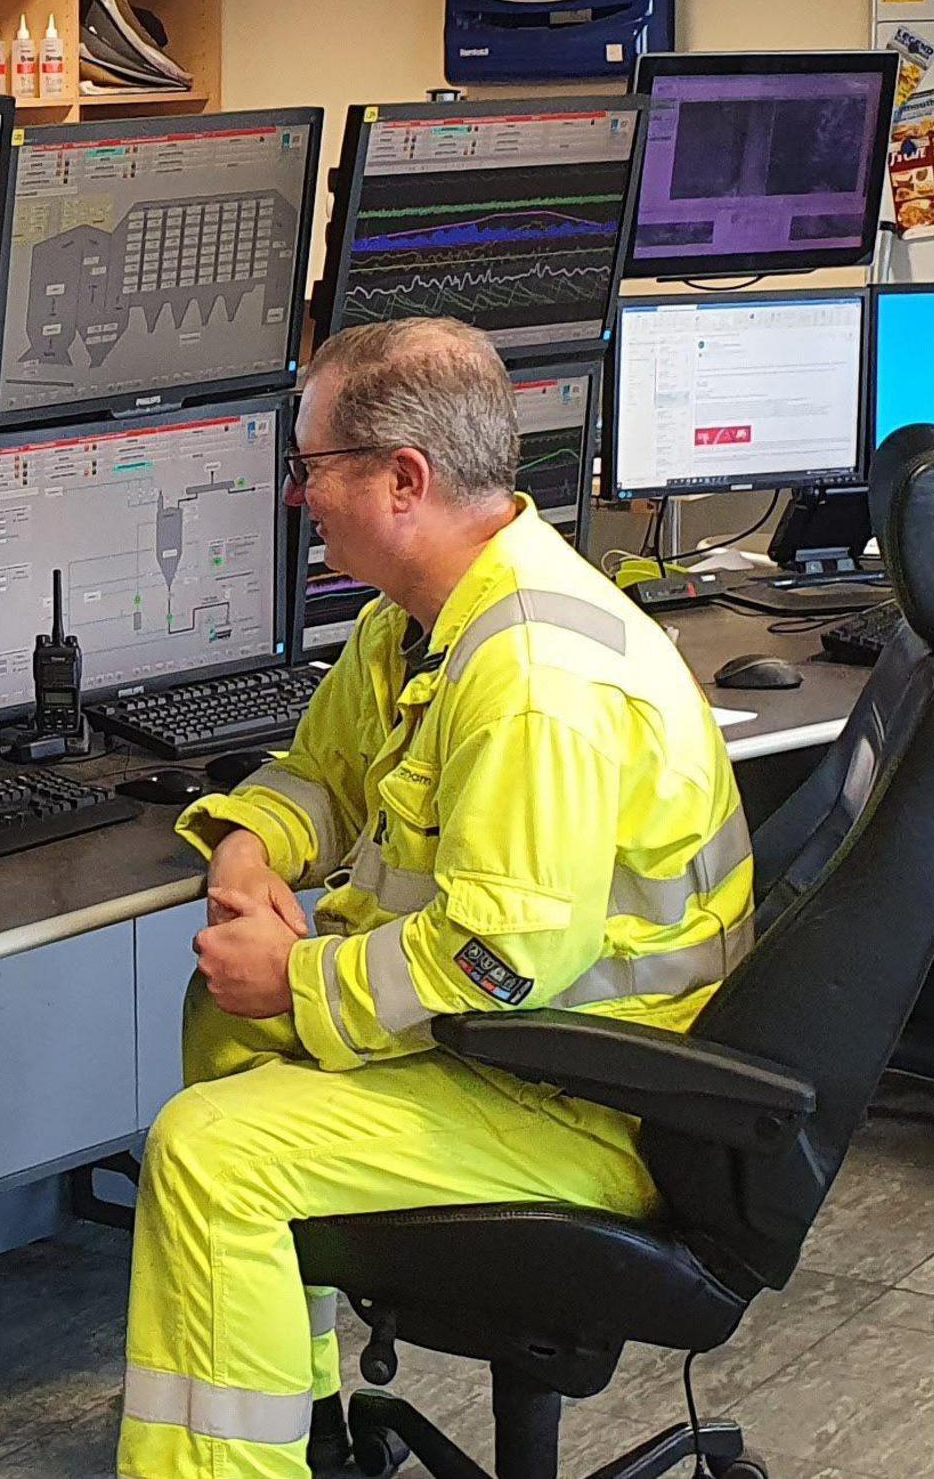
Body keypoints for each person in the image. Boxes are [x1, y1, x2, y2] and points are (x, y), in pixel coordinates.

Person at [120, 317, 752, 1479]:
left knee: (211, 1152)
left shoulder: (533, 678)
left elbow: (501, 960)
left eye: (310, 468)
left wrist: (300, 974)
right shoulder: (423, 622)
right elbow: (324, 771)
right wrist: (250, 845)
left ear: (401, 479)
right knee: (230, 1010)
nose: (297, 496)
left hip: (595, 1097)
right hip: (527, 1056)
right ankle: (293, 1414)